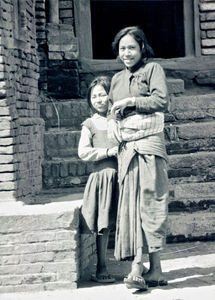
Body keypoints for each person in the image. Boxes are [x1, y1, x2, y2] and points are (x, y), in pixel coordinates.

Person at [109, 26, 169, 290]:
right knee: (132, 207)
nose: (127, 53)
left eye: (132, 47)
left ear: (142, 48)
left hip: (149, 147)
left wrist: (132, 102)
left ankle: (149, 268)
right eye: (122, 48)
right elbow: (111, 109)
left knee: (150, 204)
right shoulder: (116, 79)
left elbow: (161, 100)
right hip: (127, 150)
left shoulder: (152, 70)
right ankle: (143, 267)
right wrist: (113, 120)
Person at [78, 76, 118, 283]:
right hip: (102, 178)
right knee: (103, 224)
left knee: (126, 221)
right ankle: (101, 267)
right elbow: (83, 152)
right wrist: (108, 152)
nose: (99, 99)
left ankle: (135, 267)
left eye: (103, 94)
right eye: (94, 96)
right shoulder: (90, 124)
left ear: (111, 95)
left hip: (123, 177)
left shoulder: (120, 119)